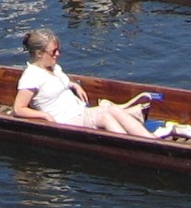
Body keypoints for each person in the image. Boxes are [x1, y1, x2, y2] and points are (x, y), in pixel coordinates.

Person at [13, 29, 158, 136]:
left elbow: (58, 82)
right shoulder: (31, 77)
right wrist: (44, 116)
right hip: (65, 121)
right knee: (104, 116)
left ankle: (149, 139)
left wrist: (73, 84)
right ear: (39, 53)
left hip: (79, 111)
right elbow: (19, 109)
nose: (58, 54)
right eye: (53, 51)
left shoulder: (53, 67)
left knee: (111, 109)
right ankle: (129, 145)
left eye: (58, 50)